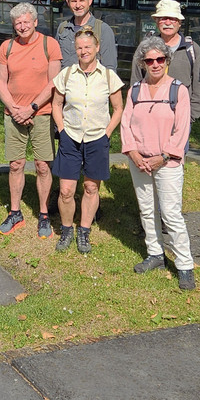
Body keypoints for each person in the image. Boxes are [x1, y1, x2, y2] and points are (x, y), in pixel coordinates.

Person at [121, 36, 196, 290]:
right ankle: (155, 254)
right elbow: (125, 125)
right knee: (147, 210)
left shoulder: (178, 90)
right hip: (139, 161)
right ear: (142, 63)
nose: (155, 64)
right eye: (149, 60)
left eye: (160, 59)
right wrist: (134, 154)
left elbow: (181, 130)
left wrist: (163, 157)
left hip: (167, 162)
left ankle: (185, 265)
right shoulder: (134, 91)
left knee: (171, 214)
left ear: (167, 61)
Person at [51, 26, 125, 253]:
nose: (84, 51)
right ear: (76, 50)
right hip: (70, 137)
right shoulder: (66, 74)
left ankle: (84, 231)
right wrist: (62, 130)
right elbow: (56, 104)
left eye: (88, 47)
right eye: (80, 48)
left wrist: (108, 132)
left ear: (97, 48)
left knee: (91, 187)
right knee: (66, 190)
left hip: (96, 138)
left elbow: (118, 108)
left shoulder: (109, 77)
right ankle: (66, 231)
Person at [0, 3, 62, 238]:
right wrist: (14, 109)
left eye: (26, 22)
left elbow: (53, 83)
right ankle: (15, 212)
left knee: (43, 165)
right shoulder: (7, 46)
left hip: (41, 114)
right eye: (18, 23)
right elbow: (1, 82)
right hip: (13, 114)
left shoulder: (49, 44)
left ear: (35, 22)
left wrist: (31, 108)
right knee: (16, 164)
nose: (22, 27)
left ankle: (44, 214)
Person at [129, 0, 200, 125]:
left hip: (180, 118)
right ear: (156, 21)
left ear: (179, 22)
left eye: (172, 19)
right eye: (163, 18)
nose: (168, 23)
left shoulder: (191, 49)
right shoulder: (145, 47)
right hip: (149, 118)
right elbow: (136, 80)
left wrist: (191, 115)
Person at [55, 0, 118, 70]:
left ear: (90, 0)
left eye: (81, 1)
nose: (78, 5)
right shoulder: (62, 28)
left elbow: (110, 68)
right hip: (65, 82)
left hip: (91, 82)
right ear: (68, 2)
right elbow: (55, 61)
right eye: (74, 1)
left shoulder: (103, 30)